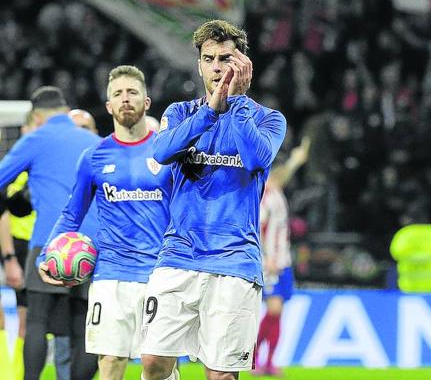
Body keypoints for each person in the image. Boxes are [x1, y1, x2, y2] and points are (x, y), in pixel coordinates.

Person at [141, 19, 287, 380]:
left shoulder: (269, 119)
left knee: (221, 375)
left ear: (243, 64)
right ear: (200, 64)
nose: (218, 67)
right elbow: (161, 151)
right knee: (153, 364)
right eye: (210, 59)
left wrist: (234, 102)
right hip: (178, 256)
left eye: (226, 58)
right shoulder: (179, 113)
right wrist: (210, 111)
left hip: (235, 262)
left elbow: (256, 159)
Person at [37, 65, 171, 380]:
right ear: (109, 106)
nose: (126, 99)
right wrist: (46, 255)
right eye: (118, 94)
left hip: (161, 275)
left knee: (158, 366)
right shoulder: (93, 156)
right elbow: (73, 212)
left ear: (147, 102)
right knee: (110, 362)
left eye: (132, 92)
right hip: (111, 274)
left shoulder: (167, 153)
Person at [0, 86, 101, 380]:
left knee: (37, 323)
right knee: (84, 326)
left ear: (38, 116)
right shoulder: (94, 141)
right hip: (91, 248)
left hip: (50, 241)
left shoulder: (37, 138)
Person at [252, 137, 310, 377]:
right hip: (270, 262)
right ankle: (254, 356)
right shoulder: (263, 197)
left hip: (283, 262)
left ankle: (270, 362)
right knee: (274, 309)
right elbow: (257, 230)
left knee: (279, 312)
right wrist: (265, 258)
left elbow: (283, 174)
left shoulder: (276, 191)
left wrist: (297, 160)